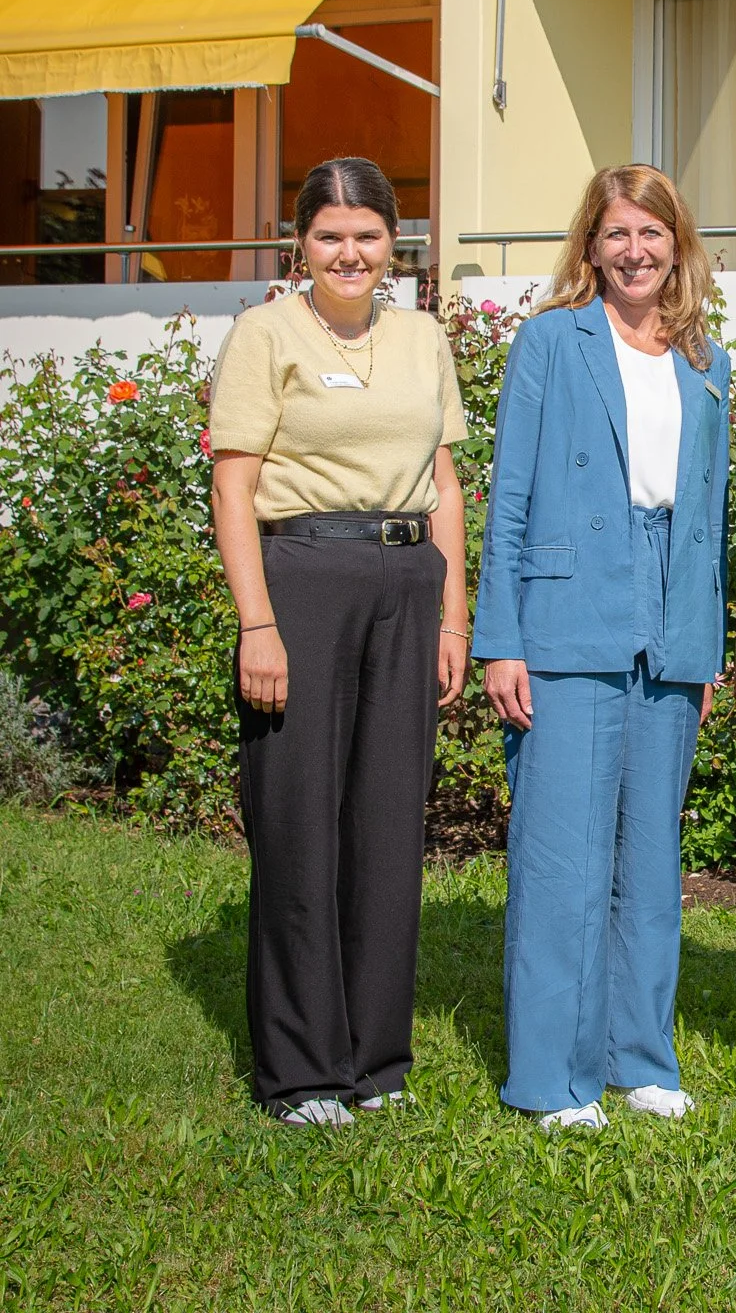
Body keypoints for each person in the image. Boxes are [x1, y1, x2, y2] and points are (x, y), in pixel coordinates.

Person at [209, 156, 470, 1126]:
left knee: (387, 822)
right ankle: (303, 1069)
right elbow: (233, 485)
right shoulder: (265, 333)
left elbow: (443, 482)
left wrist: (453, 615)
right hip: (304, 579)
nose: (349, 252)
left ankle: (374, 1057)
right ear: (301, 243)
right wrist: (258, 623)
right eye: (330, 235)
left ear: (394, 242)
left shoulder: (422, 337)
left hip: (406, 582)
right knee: (299, 820)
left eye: (366, 234)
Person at [473, 165, 730, 1131]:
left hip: (670, 622)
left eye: (652, 233)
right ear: (591, 246)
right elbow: (509, 494)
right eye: (617, 233)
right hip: (568, 611)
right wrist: (502, 639)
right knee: (562, 862)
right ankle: (553, 1078)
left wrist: (702, 646)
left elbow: (710, 513)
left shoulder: (706, 358)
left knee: (651, 858)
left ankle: (639, 1058)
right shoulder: (551, 340)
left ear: (677, 245)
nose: (635, 251)